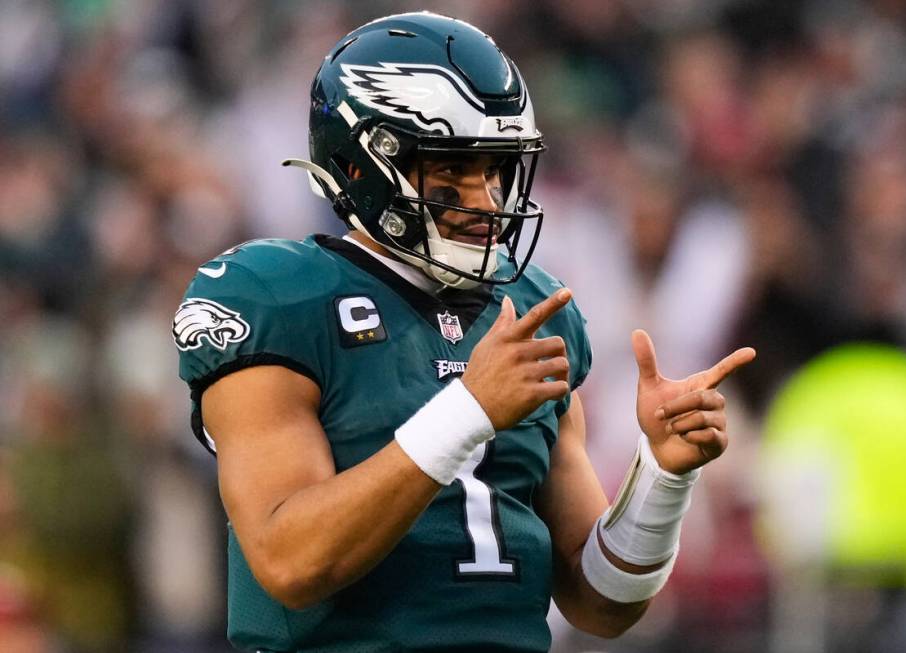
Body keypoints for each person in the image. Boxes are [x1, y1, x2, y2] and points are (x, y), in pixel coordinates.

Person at [172, 12, 755, 652]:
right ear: (365, 166)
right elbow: (290, 562)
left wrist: (663, 478)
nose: (486, 200)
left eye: (497, 170)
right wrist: (469, 410)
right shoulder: (279, 296)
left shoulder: (532, 307)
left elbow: (601, 604)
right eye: (452, 171)